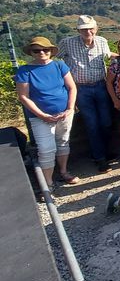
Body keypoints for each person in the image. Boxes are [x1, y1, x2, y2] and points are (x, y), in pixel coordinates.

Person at [15, 37, 78, 189]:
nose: (42, 52)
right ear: (31, 52)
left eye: (45, 50)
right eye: (37, 50)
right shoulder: (25, 70)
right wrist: (42, 115)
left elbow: (72, 87)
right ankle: (48, 183)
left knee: (63, 142)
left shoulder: (59, 65)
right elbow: (23, 96)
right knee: (46, 148)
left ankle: (63, 172)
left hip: (64, 113)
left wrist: (69, 109)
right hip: (39, 117)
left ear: (51, 51)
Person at [57, 15, 116, 172]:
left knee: (106, 121)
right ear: (78, 30)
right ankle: (100, 158)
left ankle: (103, 151)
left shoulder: (102, 42)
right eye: (84, 29)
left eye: (90, 28)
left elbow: (108, 56)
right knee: (91, 124)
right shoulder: (67, 43)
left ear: (96, 29)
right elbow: (54, 59)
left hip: (101, 86)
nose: (88, 31)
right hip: (81, 89)